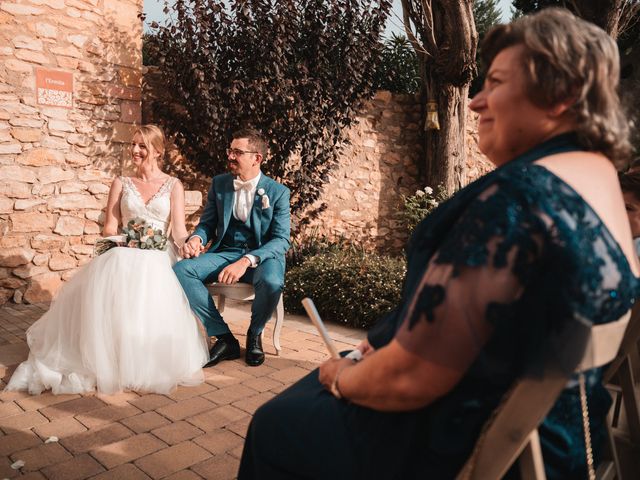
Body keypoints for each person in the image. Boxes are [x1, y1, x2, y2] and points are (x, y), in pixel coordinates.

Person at [238, 8, 638, 480]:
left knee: (275, 424)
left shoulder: (522, 198)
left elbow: (413, 378)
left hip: (455, 437)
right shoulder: (602, 187)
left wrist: (343, 376)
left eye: (496, 83)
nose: (475, 102)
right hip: (557, 439)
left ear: (562, 96)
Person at [6, 125, 208, 395]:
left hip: (158, 256)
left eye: (142, 146)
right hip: (123, 252)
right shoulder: (121, 183)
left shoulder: (174, 185)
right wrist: (131, 239)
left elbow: (180, 232)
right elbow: (110, 229)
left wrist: (190, 244)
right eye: (133, 145)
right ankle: (110, 360)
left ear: (158, 151)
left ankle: (140, 361)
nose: (135, 151)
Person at [174, 128, 290, 367]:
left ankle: (255, 333)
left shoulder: (278, 192)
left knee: (272, 282)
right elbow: (207, 224)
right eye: (230, 151)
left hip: (262, 257)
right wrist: (196, 238)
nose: (230, 156)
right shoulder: (220, 184)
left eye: (237, 152)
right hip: (225, 252)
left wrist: (247, 260)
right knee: (183, 270)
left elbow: (281, 240)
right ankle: (224, 338)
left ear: (256, 158)